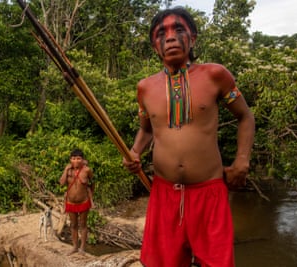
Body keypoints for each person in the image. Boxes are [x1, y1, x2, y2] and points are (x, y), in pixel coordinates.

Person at [122, 7, 255, 267]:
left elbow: (245, 117)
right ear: (154, 45)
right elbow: (147, 129)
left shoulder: (215, 75)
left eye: (178, 29)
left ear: (192, 37)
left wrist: (242, 161)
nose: (170, 37)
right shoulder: (145, 88)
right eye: (162, 33)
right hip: (164, 193)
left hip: (209, 193)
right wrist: (134, 152)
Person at [60, 149, 94, 254]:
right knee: (73, 225)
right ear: (70, 159)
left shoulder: (87, 170)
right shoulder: (68, 170)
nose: (76, 160)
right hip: (70, 202)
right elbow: (61, 183)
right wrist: (66, 170)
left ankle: (82, 247)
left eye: (78, 158)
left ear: (82, 160)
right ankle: (75, 247)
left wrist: (90, 196)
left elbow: (92, 182)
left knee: (83, 224)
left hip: (83, 202)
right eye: (73, 158)